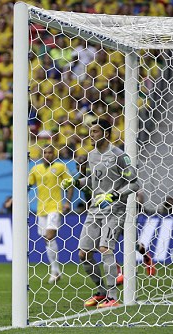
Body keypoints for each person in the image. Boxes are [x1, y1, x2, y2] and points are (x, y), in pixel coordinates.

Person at [61, 118, 140, 308]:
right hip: (95, 209)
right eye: (90, 131)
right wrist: (75, 183)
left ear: (105, 133)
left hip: (115, 209)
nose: (91, 135)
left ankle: (112, 297)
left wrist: (113, 196)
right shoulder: (91, 156)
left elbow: (135, 183)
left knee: (105, 249)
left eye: (95, 131)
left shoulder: (120, 156)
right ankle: (101, 292)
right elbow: (92, 181)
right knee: (83, 254)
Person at [28, 145, 74, 284]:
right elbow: (28, 185)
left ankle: (54, 271)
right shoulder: (36, 169)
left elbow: (70, 184)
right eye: (45, 153)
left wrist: (67, 202)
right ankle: (56, 270)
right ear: (42, 154)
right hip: (41, 208)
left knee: (49, 236)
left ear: (54, 154)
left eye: (50, 153)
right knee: (46, 239)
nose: (47, 155)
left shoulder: (60, 167)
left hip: (55, 206)